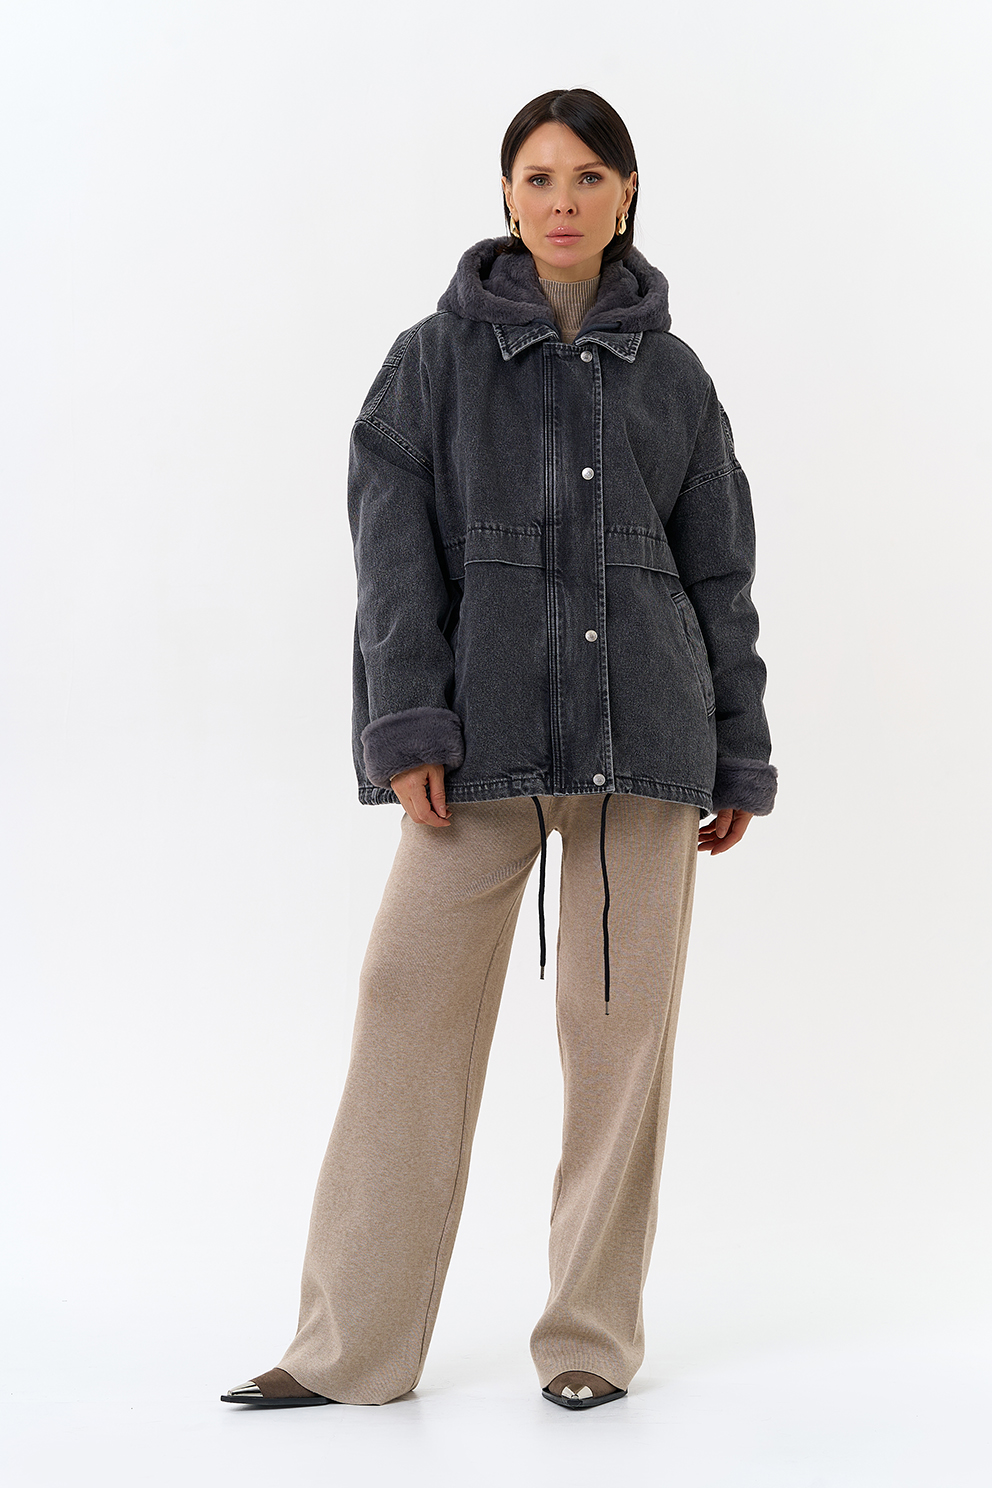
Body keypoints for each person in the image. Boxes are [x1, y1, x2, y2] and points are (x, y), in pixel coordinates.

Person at [222, 87, 777, 1415]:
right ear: (507, 197)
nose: (563, 199)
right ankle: (349, 1348)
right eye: (539, 176)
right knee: (403, 1004)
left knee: (618, 1047)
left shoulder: (678, 379)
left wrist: (737, 752)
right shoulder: (431, 362)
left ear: (627, 194)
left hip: (645, 750)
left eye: (589, 176)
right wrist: (406, 721)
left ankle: (588, 1341)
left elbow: (720, 576)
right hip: (477, 749)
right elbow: (390, 556)